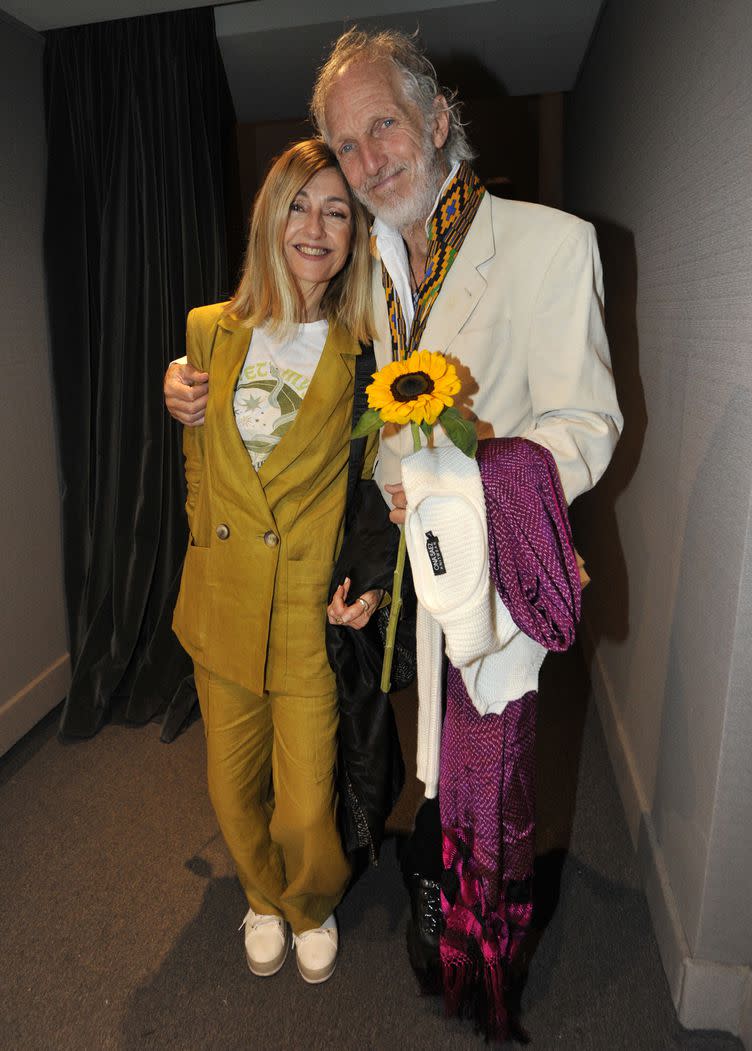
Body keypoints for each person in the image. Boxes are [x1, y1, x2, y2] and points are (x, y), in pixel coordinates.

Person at [166, 27, 623, 1035]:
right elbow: (365, 431)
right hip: (412, 580)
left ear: (438, 120)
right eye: (347, 142)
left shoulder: (551, 244)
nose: (369, 161)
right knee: (428, 765)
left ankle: (480, 961)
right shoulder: (377, 265)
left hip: (494, 573)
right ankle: (439, 895)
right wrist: (374, 564)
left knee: (490, 787)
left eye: (384, 128)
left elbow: (588, 427)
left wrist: (471, 479)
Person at [172, 138, 383, 986]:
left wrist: (366, 580)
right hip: (221, 601)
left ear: (354, 233)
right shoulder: (206, 331)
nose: (316, 226)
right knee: (231, 792)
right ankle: (262, 896)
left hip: (304, 612)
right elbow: (199, 472)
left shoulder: (363, 344)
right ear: (270, 215)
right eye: (300, 204)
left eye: (337, 210)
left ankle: (312, 899)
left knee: (304, 808)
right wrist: (181, 409)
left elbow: (375, 480)